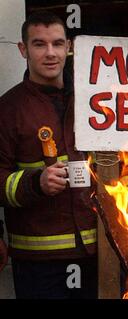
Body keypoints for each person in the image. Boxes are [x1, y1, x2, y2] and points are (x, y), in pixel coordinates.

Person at [0, 11, 98, 299]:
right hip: (38, 263)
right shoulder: (8, 109)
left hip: (97, 252)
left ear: (69, 47)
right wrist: (35, 184)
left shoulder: (93, 101)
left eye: (58, 43)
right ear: (23, 49)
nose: (50, 53)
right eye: (39, 44)